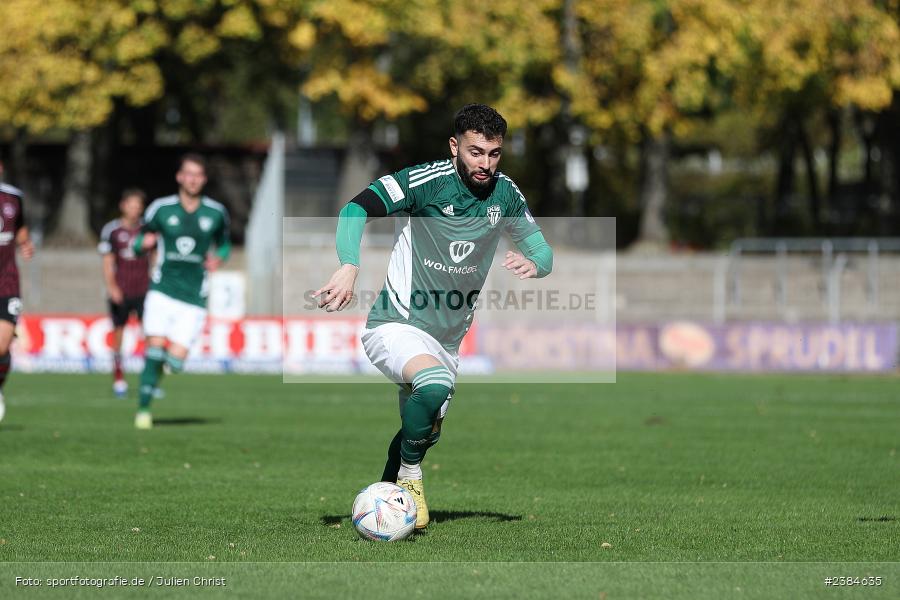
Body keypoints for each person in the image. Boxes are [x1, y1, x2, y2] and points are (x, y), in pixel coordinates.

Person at [314, 104, 553, 529]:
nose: (486, 163)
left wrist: (536, 263)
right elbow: (355, 209)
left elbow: (543, 252)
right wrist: (350, 265)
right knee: (432, 385)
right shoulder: (425, 181)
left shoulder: (506, 193)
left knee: (426, 431)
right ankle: (409, 477)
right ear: (454, 146)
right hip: (397, 323)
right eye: (476, 152)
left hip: (447, 340)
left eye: (495, 154)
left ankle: (383, 501)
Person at [131, 154, 230, 429]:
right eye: (188, 173)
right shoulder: (161, 209)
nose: (193, 179)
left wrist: (219, 258)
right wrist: (144, 243)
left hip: (194, 296)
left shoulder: (215, 212)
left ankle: (159, 372)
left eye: (198, 175)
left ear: (204, 179)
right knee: (154, 349)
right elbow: (138, 242)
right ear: (179, 177)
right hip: (161, 290)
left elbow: (224, 245)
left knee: (174, 361)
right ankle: (143, 409)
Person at [98, 189, 151, 397]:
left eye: (138, 205)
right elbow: (107, 261)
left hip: (144, 290)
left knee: (151, 336)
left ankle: (149, 381)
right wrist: (112, 287)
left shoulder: (147, 230)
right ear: (123, 205)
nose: (135, 209)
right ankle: (119, 379)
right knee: (119, 335)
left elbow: (154, 256)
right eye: (131, 204)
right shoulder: (111, 230)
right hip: (121, 290)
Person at [0, 160, 35, 424]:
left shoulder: (14, 197)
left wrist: (25, 243)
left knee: (1, 345)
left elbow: (21, 229)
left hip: (7, 281)